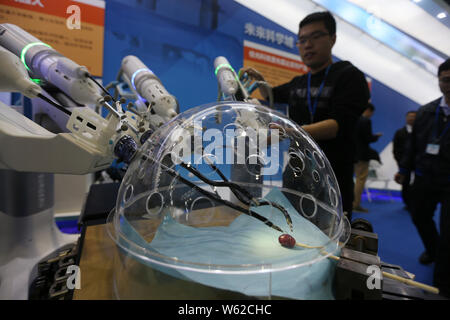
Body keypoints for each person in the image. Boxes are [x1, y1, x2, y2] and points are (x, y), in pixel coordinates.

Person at [242, 11, 370, 221]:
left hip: (333, 174)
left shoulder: (349, 76)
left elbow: (338, 124)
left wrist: (291, 132)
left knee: (329, 230)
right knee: (289, 223)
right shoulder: (300, 82)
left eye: (315, 36)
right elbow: (273, 94)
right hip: (296, 171)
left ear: (333, 39)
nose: (307, 44)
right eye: (302, 40)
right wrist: (262, 82)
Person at [395, 58, 450, 297]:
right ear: (439, 81)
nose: (449, 85)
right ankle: (434, 250)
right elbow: (413, 146)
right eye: (445, 80)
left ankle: (442, 282)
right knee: (419, 217)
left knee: (449, 231)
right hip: (426, 177)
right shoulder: (426, 111)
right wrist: (404, 171)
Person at [353, 103, 382, 213]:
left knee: (355, 179)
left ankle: (352, 202)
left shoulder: (355, 119)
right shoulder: (366, 121)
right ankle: (356, 204)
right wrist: (376, 137)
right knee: (360, 180)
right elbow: (368, 138)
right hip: (363, 155)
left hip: (354, 154)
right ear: (369, 110)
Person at [392, 111, 417, 211]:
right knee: (405, 183)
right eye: (409, 116)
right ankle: (407, 203)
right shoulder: (399, 132)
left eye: (413, 117)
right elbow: (395, 149)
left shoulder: (421, 132)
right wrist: (400, 161)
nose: (411, 118)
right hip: (403, 163)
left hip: (418, 163)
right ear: (406, 118)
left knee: (417, 183)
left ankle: (416, 202)